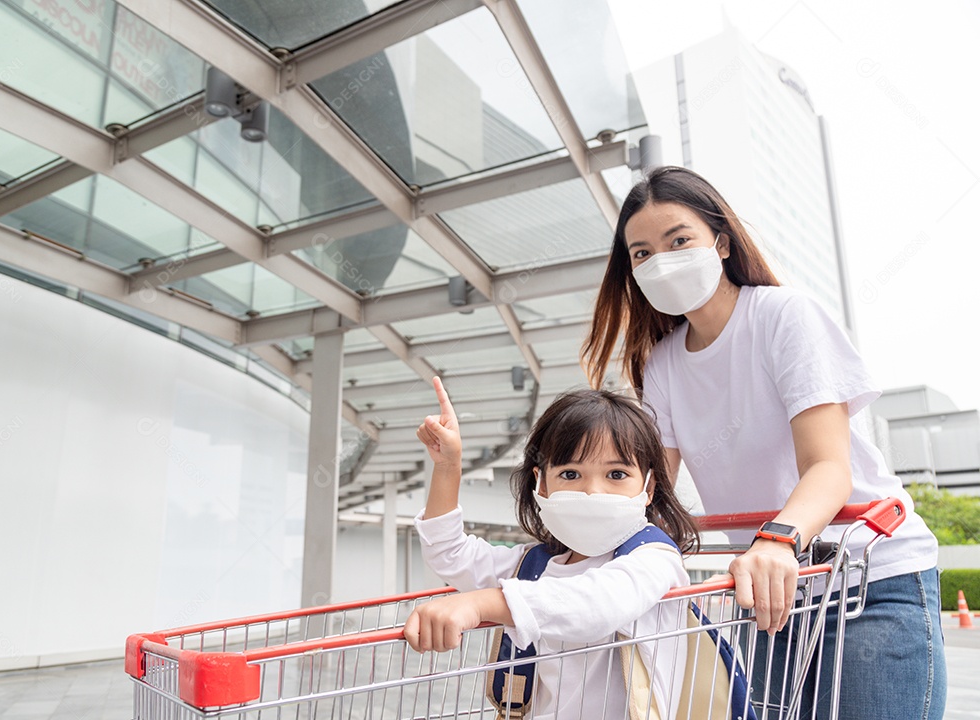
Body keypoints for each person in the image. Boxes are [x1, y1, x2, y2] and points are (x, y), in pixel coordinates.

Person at [581, 165, 945, 719]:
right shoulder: (662, 364)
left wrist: (776, 539)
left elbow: (828, 467)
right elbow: (652, 492)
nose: (662, 262)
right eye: (642, 254)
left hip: (866, 578)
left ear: (722, 243)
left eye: (678, 241)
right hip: (768, 591)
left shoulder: (783, 317)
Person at [403, 376, 699, 720]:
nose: (593, 492)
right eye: (571, 474)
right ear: (541, 484)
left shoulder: (655, 557)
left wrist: (479, 603)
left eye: (616, 474)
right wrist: (447, 466)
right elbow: (449, 554)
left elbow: (596, 606)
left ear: (648, 488)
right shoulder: (534, 566)